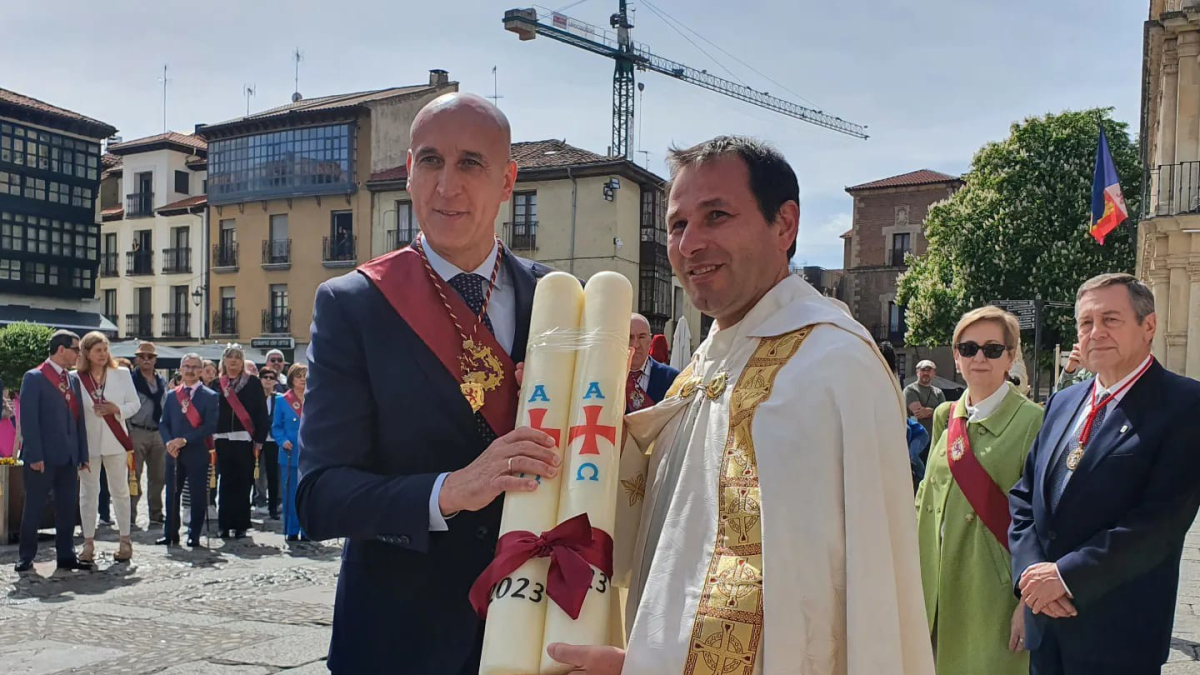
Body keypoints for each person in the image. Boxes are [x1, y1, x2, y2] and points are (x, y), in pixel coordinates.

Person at [561, 137, 932, 674]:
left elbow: (798, 603)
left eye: (716, 216)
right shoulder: (701, 369)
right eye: (678, 225)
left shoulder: (829, 366)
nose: (689, 245)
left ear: (784, 225)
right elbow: (667, 534)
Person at [296, 92, 558, 674]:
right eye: (431, 161)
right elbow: (319, 497)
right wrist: (450, 491)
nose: (447, 185)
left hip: (539, 628)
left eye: (470, 163)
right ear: (409, 172)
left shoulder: (559, 301)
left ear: (508, 179)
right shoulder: (354, 305)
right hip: (399, 638)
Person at [1009, 273, 1200, 675]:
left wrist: (1065, 576)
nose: (1095, 333)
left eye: (1110, 319)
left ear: (1148, 327)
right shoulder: (1063, 402)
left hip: (1118, 635)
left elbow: (1159, 524)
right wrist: (1030, 575)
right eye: (1085, 323)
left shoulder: (1185, 405)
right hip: (1047, 627)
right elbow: (1025, 496)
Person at [915, 307, 1044, 675]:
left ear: (1010, 356)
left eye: (992, 349)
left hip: (991, 591)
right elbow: (927, 496)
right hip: (932, 580)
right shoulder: (945, 415)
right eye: (968, 348)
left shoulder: (1033, 421)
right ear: (956, 358)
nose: (979, 358)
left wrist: (1028, 603)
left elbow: (1043, 520)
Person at [15, 330, 92, 573]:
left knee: (67, 508)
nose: (78, 354)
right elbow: (29, 420)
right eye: (75, 349)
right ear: (61, 349)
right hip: (42, 458)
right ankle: (26, 556)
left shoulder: (73, 380)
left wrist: (83, 454)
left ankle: (66, 555)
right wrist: (35, 455)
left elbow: (79, 420)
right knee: (34, 508)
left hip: (68, 457)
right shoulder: (34, 377)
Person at [76, 331, 140, 563]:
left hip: (116, 440)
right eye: (97, 350)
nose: (103, 354)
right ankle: (88, 542)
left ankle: (125, 540)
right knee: (88, 494)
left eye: (105, 349)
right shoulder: (76, 377)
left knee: (120, 491)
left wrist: (116, 409)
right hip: (89, 443)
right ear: (87, 353)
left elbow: (135, 404)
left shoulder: (121, 374)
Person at [158, 354, 218, 547]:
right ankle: (170, 534)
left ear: (201, 371)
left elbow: (209, 426)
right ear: (180, 369)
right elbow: (163, 423)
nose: (190, 370)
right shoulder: (171, 395)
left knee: (197, 495)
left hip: (196, 451)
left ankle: (194, 534)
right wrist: (169, 443)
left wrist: (184, 440)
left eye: (195, 367)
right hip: (173, 453)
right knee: (172, 495)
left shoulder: (210, 396)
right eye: (187, 366)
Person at [213, 346, 269, 539]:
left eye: (238, 357)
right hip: (222, 440)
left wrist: (259, 440)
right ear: (224, 361)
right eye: (230, 357)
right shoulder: (216, 384)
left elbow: (261, 413)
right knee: (226, 483)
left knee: (244, 483)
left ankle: (241, 524)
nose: (234, 361)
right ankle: (224, 524)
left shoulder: (252, 383)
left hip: (246, 440)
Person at [128, 343, 168, 525]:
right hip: (137, 430)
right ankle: (130, 515)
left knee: (159, 476)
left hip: (158, 432)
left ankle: (156, 513)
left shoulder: (161, 381)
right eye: (142, 356)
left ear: (155, 360)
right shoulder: (130, 380)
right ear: (136, 359)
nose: (146, 360)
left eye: (150, 357)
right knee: (133, 475)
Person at [273, 364, 306, 541]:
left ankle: (307, 530)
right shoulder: (282, 400)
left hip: (311, 454)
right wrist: (282, 440)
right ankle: (291, 530)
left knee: (308, 493)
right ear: (292, 379)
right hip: (289, 454)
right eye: (299, 375)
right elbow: (276, 427)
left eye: (305, 376)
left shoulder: (314, 398)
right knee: (291, 494)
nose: (302, 379)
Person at [625, 312, 680, 413]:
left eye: (642, 337)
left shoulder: (672, 378)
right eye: (630, 337)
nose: (636, 345)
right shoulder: (609, 378)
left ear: (650, 341)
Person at [254, 367, 281, 519]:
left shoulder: (278, 398)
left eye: (272, 377)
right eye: (265, 377)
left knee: (273, 474)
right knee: (257, 474)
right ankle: (259, 502)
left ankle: (273, 507)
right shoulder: (254, 397)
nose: (268, 380)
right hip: (257, 440)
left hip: (273, 440)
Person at [905, 360, 946, 453]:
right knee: (915, 462)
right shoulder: (910, 390)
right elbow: (919, 413)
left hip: (935, 438)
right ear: (917, 372)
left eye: (929, 370)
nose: (926, 373)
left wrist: (930, 411)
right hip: (916, 438)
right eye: (923, 370)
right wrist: (936, 411)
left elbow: (945, 414)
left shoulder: (938, 392)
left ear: (934, 373)